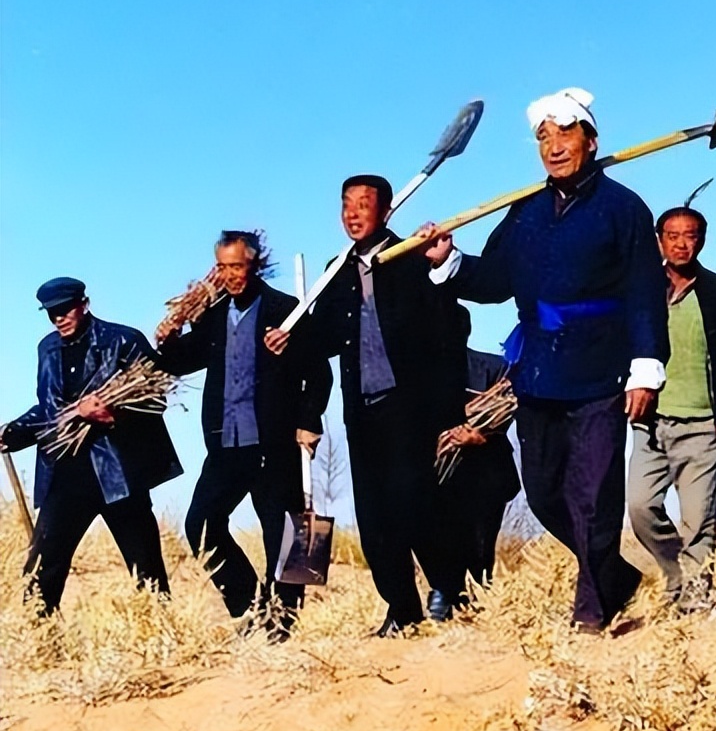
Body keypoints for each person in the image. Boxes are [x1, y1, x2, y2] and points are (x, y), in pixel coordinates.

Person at [423, 87, 668, 632]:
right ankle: (613, 576)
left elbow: (646, 293)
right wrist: (450, 260)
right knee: (544, 493)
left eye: (565, 133)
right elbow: (494, 281)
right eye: (543, 137)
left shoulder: (624, 209)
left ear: (591, 140)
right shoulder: (524, 212)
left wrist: (646, 366)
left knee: (594, 496)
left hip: (602, 370)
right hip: (537, 372)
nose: (554, 146)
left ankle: (591, 614)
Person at [272, 174, 468, 635]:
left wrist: (437, 269)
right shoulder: (336, 270)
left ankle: (447, 587)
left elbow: (453, 325)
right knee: (374, 516)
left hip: (408, 406)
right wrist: (290, 339)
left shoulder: (412, 256)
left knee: (413, 503)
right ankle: (401, 608)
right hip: (361, 409)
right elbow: (322, 340)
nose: (353, 214)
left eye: (364, 204)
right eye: (347, 205)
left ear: (386, 210)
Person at [157, 232, 332, 638]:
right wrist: (168, 338)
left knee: (284, 532)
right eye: (222, 267)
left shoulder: (286, 310)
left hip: (274, 442)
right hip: (226, 443)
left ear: (255, 265)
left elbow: (319, 372)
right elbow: (182, 361)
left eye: (236, 266)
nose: (229, 275)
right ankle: (250, 607)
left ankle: (284, 622)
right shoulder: (213, 315)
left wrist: (310, 420)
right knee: (201, 525)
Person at [0, 278, 181, 614]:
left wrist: (113, 415)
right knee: (42, 568)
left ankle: (161, 629)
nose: (58, 318)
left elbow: (156, 398)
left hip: (119, 474)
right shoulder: (47, 348)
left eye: (64, 309)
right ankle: (38, 634)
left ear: (84, 303)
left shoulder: (123, 340)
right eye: (51, 313)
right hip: (64, 473)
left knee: (146, 567)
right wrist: (12, 433)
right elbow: (50, 409)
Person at [627, 193, 716, 611]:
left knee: (699, 522)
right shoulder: (641, 290)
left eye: (690, 236)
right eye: (673, 236)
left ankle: (694, 603)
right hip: (649, 422)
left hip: (702, 424)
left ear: (703, 240)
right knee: (640, 507)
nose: (682, 244)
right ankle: (676, 573)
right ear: (658, 240)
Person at [426, 305, 522, 619]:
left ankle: (478, 597)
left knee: (481, 541)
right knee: (441, 535)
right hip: (439, 473)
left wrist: (483, 434)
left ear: (465, 330)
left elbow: (509, 407)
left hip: (486, 472)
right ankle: (443, 595)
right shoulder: (421, 372)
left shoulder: (494, 368)